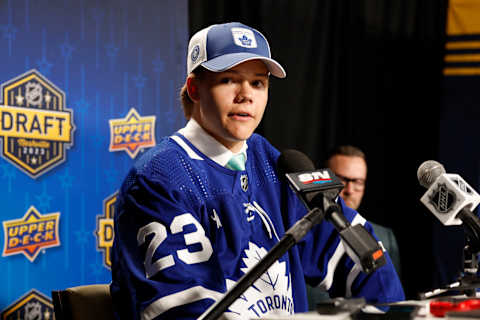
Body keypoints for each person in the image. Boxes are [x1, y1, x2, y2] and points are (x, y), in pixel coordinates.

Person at [110, 22, 404, 320]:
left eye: (258, 83)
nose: (245, 95)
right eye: (228, 80)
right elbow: (180, 311)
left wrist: (387, 314)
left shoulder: (269, 159)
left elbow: (360, 253)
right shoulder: (159, 178)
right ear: (194, 88)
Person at [325, 145, 401, 275]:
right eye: (342, 180)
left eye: (358, 182)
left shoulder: (385, 238)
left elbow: (393, 294)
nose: (349, 190)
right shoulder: (304, 232)